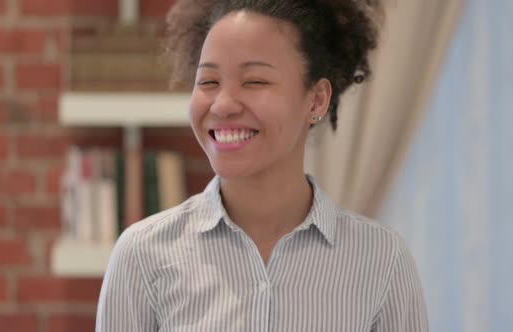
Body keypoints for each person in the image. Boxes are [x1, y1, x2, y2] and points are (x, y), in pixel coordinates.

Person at [96, 0, 428, 331]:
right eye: (208, 82)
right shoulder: (141, 257)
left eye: (255, 81)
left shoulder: (382, 261)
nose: (223, 104)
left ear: (316, 99)